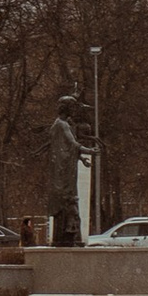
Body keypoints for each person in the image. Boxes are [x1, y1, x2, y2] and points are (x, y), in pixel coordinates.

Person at [48, 93, 93, 248]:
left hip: (63, 169)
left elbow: (66, 148)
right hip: (63, 172)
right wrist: (89, 151)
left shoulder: (59, 124)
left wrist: (81, 158)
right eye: (72, 107)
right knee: (69, 200)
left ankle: (69, 232)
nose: (74, 111)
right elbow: (72, 144)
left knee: (69, 200)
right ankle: (68, 234)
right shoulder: (62, 125)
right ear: (67, 108)